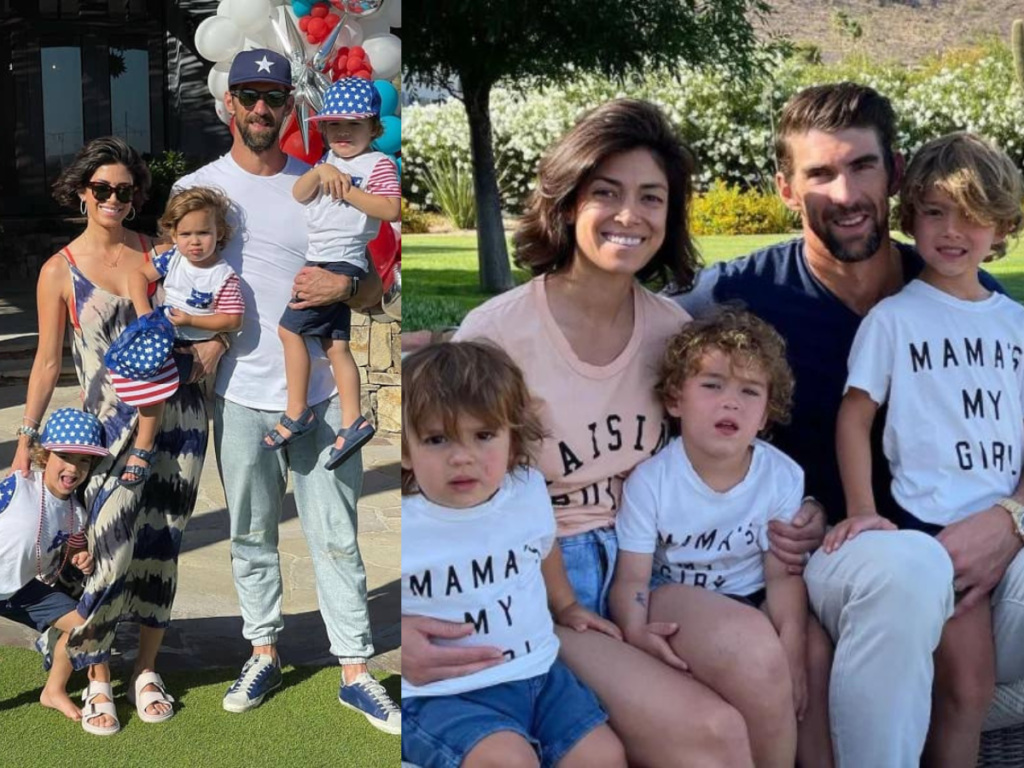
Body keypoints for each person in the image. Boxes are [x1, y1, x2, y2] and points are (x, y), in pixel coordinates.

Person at [403, 97, 790, 768]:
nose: (629, 215)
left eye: (651, 197)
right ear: (568, 202)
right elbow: (417, 478)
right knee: (713, 733)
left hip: (647, 559)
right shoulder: (498, 334)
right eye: (606, 193)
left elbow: (729, 443)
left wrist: (799, 506)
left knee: (760, 658)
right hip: (545, 579)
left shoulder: (675, 332)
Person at [674, 82, 1024, 766]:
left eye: (862, 166)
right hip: (832, 557)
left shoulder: (968, 294)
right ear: (785, 188)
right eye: (820, 174)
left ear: (894, 174)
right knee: (909, 567)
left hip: (969, 541)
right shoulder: (740, 296)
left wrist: (1013, 516)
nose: (845, 193)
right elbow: (632, 333)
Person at [172, 48, 398, 732]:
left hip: (324, 396)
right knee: (250, 533)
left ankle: (355, 670)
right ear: (229, 105)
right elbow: (180, 283)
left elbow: (371, 287)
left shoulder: (330, 178)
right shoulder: (198, 188)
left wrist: (346, 288)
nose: (262, 109)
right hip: (242, 395)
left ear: (290, 106)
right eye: (250, 96)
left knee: (336, 536)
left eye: (274, 96)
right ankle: (262, 649)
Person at [824, 132, 1024, 767]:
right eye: (935, 212)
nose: (952, 230)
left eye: (973, 215)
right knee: (968, 689)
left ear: (1004, 226)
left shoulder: (1015, 323)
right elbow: (854, 418)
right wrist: (861, 510)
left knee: (974, 686)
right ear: (908, 219)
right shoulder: (894, 319)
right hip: (933, 531)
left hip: (1007, 526)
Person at [11, 135, 209, 725]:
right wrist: (26, 442)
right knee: (105, 550)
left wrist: (217, 343)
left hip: (179, 421)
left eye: (125, 190)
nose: (115, 199)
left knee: (161, 544)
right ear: (81, 192)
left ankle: (146, 670)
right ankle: (97, 674)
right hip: (104, 432)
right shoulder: (60, 270)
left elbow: (211, 305)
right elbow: (48, 363)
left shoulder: (162, 252)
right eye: (103, 189)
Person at [610, 308, 834, 768]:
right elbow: (631, 577)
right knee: (752, 644)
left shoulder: (780, 475)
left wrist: (791, 645)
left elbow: (782, 575)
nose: (730, 403)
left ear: (766, 413)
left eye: (749, 392)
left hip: (755, 593)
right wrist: (633, 629)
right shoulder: (652, 481)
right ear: (675, 399)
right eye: (712, 386)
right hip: (679, 597)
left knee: (813, 650)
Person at [401, 341, 626, 768]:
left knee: (604, 755)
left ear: (512, 438)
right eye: (436, 439)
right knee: (507, 762)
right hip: (444, 693)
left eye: (484, 435)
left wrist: (567, 604)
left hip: (539, 678)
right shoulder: (406, 521)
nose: (462, 456)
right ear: (407, 452)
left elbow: (543, 549)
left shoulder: (525, 489)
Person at [265, 77, 400, 470]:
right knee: (335, 346)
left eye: (354, 125)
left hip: (339, 260)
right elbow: (300, 193)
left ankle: (297, 411)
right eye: (334, 125)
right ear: (322, 128)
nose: (343, 132)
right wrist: (320, 175)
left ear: (374, 128)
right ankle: (353, 420)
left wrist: (348, 191)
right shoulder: (327, 164)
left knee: (289, 330)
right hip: (324, 257)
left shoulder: (378, 164)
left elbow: (391, 209)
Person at [110, 186, 244, 487]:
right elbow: (137, 276)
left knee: (151, 376)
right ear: (172, 234)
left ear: (219, 232)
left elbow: (233, 318)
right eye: (185, 235)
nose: (194, 242)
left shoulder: (223, 276)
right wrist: (145, 313)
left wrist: (193, 319)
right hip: (162, 333)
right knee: (123, 357)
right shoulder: (173, 259)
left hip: (191, 346)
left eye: (203, 233)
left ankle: (142, 447)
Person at [0, 409, 118, 735]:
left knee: (83, 627)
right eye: (64, 456)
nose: (73, 468)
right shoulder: (18, 485)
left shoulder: (75, 513)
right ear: (44, 455)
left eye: (83, 461)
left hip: (24, 589)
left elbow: (74, 545)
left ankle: (53, 690)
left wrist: (81, 556)